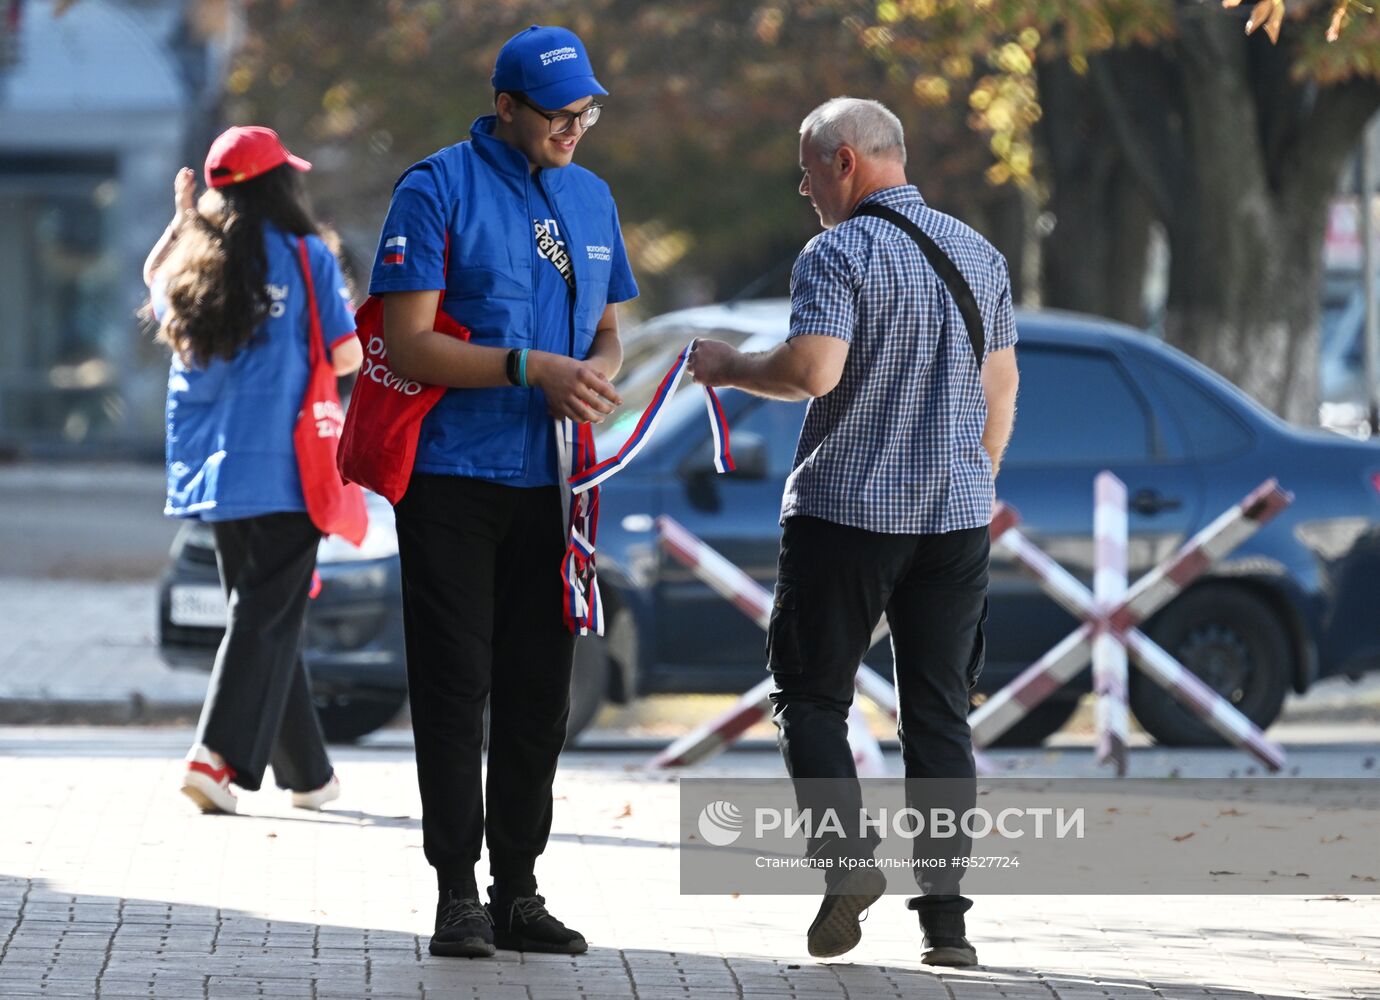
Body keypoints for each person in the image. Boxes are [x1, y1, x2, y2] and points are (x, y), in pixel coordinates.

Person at [688, 97, 1020, 967]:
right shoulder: (980, 256)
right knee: (941, 714)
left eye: (807, 170)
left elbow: (811, 370)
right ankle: (947, 929)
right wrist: (973, 481)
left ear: (844, 162)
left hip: (847, 513)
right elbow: (1002, 389)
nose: (804, 188)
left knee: (809, 696)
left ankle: (846, 864)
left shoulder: (837, 252)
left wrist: (726, 367)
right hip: (954, 521)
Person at [365, 25, 637, 958]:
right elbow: (406, 344)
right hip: (452, 478)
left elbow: (609, 332)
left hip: (556, 483)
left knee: (538, 694)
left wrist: (595, 370)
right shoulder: (434, 187)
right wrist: (531, 368)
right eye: (559, 114)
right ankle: (456, 895)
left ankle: (519, 890)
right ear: (507, 107)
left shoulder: (594, 196)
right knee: (455, 688)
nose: (576, 127)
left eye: (587, 111)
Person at [143, 126, 364, 817]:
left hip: (217, 470)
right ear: (278, 185)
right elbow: (348, 356)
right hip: (291, 467)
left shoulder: (192, 262)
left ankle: (310, 776)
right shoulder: (305, 258)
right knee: (263, 615)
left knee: (269, 615)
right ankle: (213, 757)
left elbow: (153, 287)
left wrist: (183, 222)